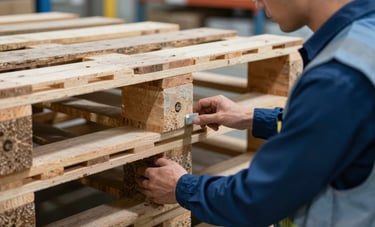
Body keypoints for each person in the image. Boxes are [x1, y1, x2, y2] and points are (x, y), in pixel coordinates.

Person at [136, 0, 375, 226]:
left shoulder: (338, 78)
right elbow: (333, 130)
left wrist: (182, 188)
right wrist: (252, 118)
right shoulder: (364, 37)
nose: (257, 3)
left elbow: (261, 198)